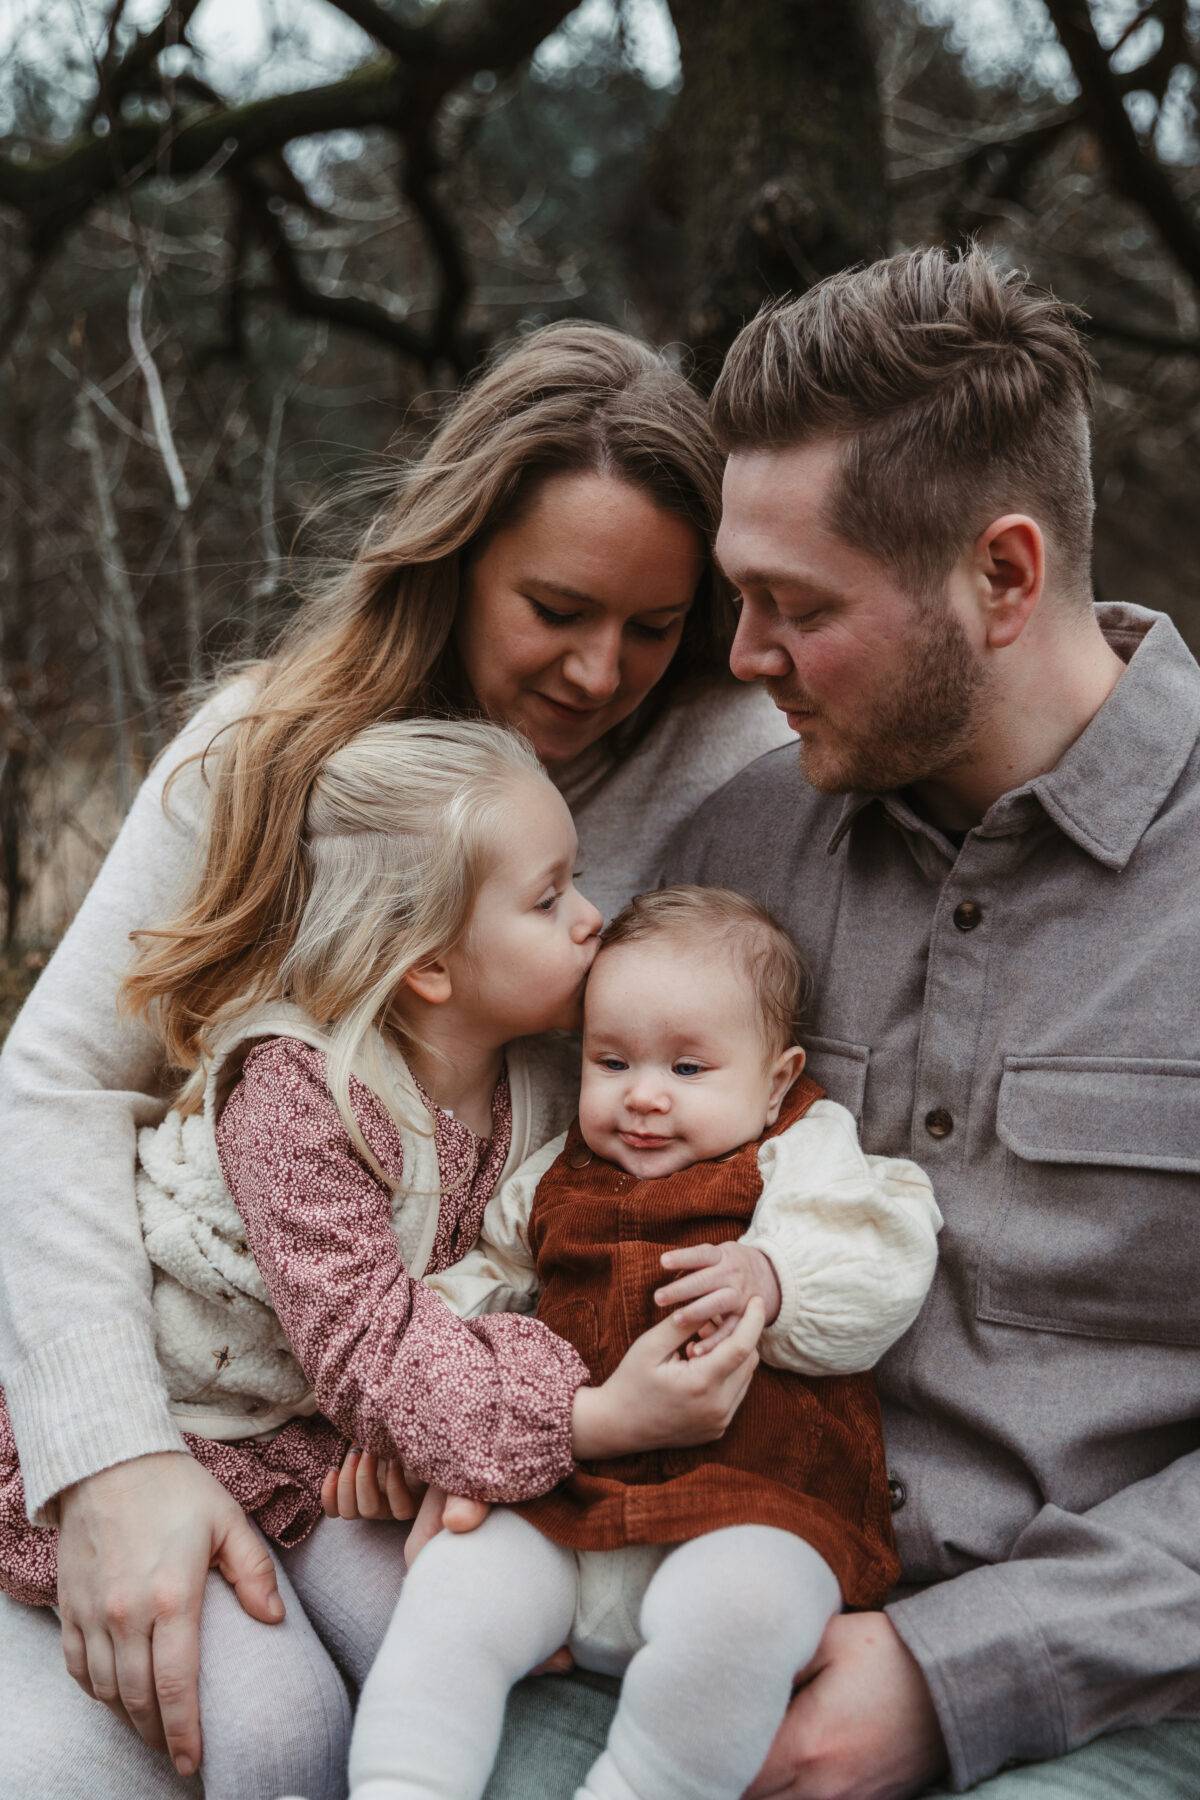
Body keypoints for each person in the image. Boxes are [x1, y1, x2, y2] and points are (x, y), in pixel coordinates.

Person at [0, 323, 791, 1798]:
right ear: (457, 554)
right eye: (556, 606)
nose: (599, 669)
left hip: (405, 1440)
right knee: (217, 1737)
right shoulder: (272, 752)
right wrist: (109, 1459)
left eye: (654, 625)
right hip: (194, 1374)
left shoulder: (729, 767)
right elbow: (57, 1086)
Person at [480, 247, 1200, 1800]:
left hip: (1112, 1695)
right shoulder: (733, 859)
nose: (739, 660)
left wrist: (965, 1673)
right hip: (677, 1606)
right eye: (741, 599)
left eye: (794, 609)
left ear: (1002, 576)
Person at [336, 885, 939, 1800]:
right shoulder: (554, 1176)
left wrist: (776, 1278)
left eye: (690, 1070)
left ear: (777, 1078)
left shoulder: (800, 1147)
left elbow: (885, 1247)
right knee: (452, 1593)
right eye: (612, 1061)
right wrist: (426, 1403)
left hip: (758, 1501)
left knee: (740, 1619)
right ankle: (400, 1785)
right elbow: (476, 1285)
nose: (644, 1097)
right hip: (566, 1502)